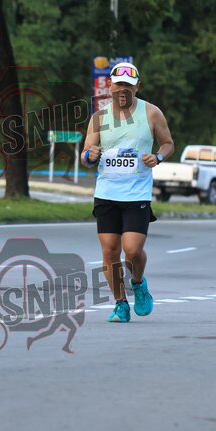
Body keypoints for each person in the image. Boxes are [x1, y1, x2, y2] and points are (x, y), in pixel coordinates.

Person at [82, 62, 174, 322]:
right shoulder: (99, 118)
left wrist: (158, 157)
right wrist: (90, 155)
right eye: (119, 84)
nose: (123, 89)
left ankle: (138, 283)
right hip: (107, 193)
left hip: (137, 194)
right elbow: (85, 155)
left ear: (137, 87)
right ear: (110, 86)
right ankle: (120, 304)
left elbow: (168, 143)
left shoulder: (151, 113)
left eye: (128, 85)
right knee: (110, 251)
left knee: (132, 250)